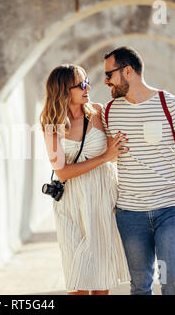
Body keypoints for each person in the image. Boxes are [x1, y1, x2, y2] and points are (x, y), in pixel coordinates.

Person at [101, 46, 175, 295]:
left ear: (128, 71)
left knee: (172, 280)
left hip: (171, 209)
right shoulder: (109, 112)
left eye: (109, 75)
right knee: (140, 284)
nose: (105, 82)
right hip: (130, 214)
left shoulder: (170, 104)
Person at [40, 64, 130, 295]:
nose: (87, 87)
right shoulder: (52, 125)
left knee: (101, 280)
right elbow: (62, 172)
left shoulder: (98, 112)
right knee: (77, 278)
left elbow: (116, 149)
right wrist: (104, 157)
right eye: (81, 85)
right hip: (71, 205)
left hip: (102, 199)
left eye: (87, 81)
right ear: (64, 91)